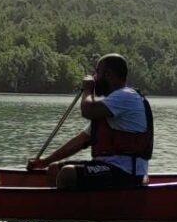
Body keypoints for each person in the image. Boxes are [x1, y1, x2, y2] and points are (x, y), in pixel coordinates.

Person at [27, 53, 152, 190]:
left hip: (127, 172)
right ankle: (65, 208)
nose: (94, 77)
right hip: (107, 169)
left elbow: (87, 110)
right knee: (53, 170)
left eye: (97, 72)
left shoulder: (126, 96)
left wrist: (88, 90)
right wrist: (45, 161)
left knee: (67, 174)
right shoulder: (109, 106)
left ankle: (67, 210)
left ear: (109, 75)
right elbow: (80, 141)